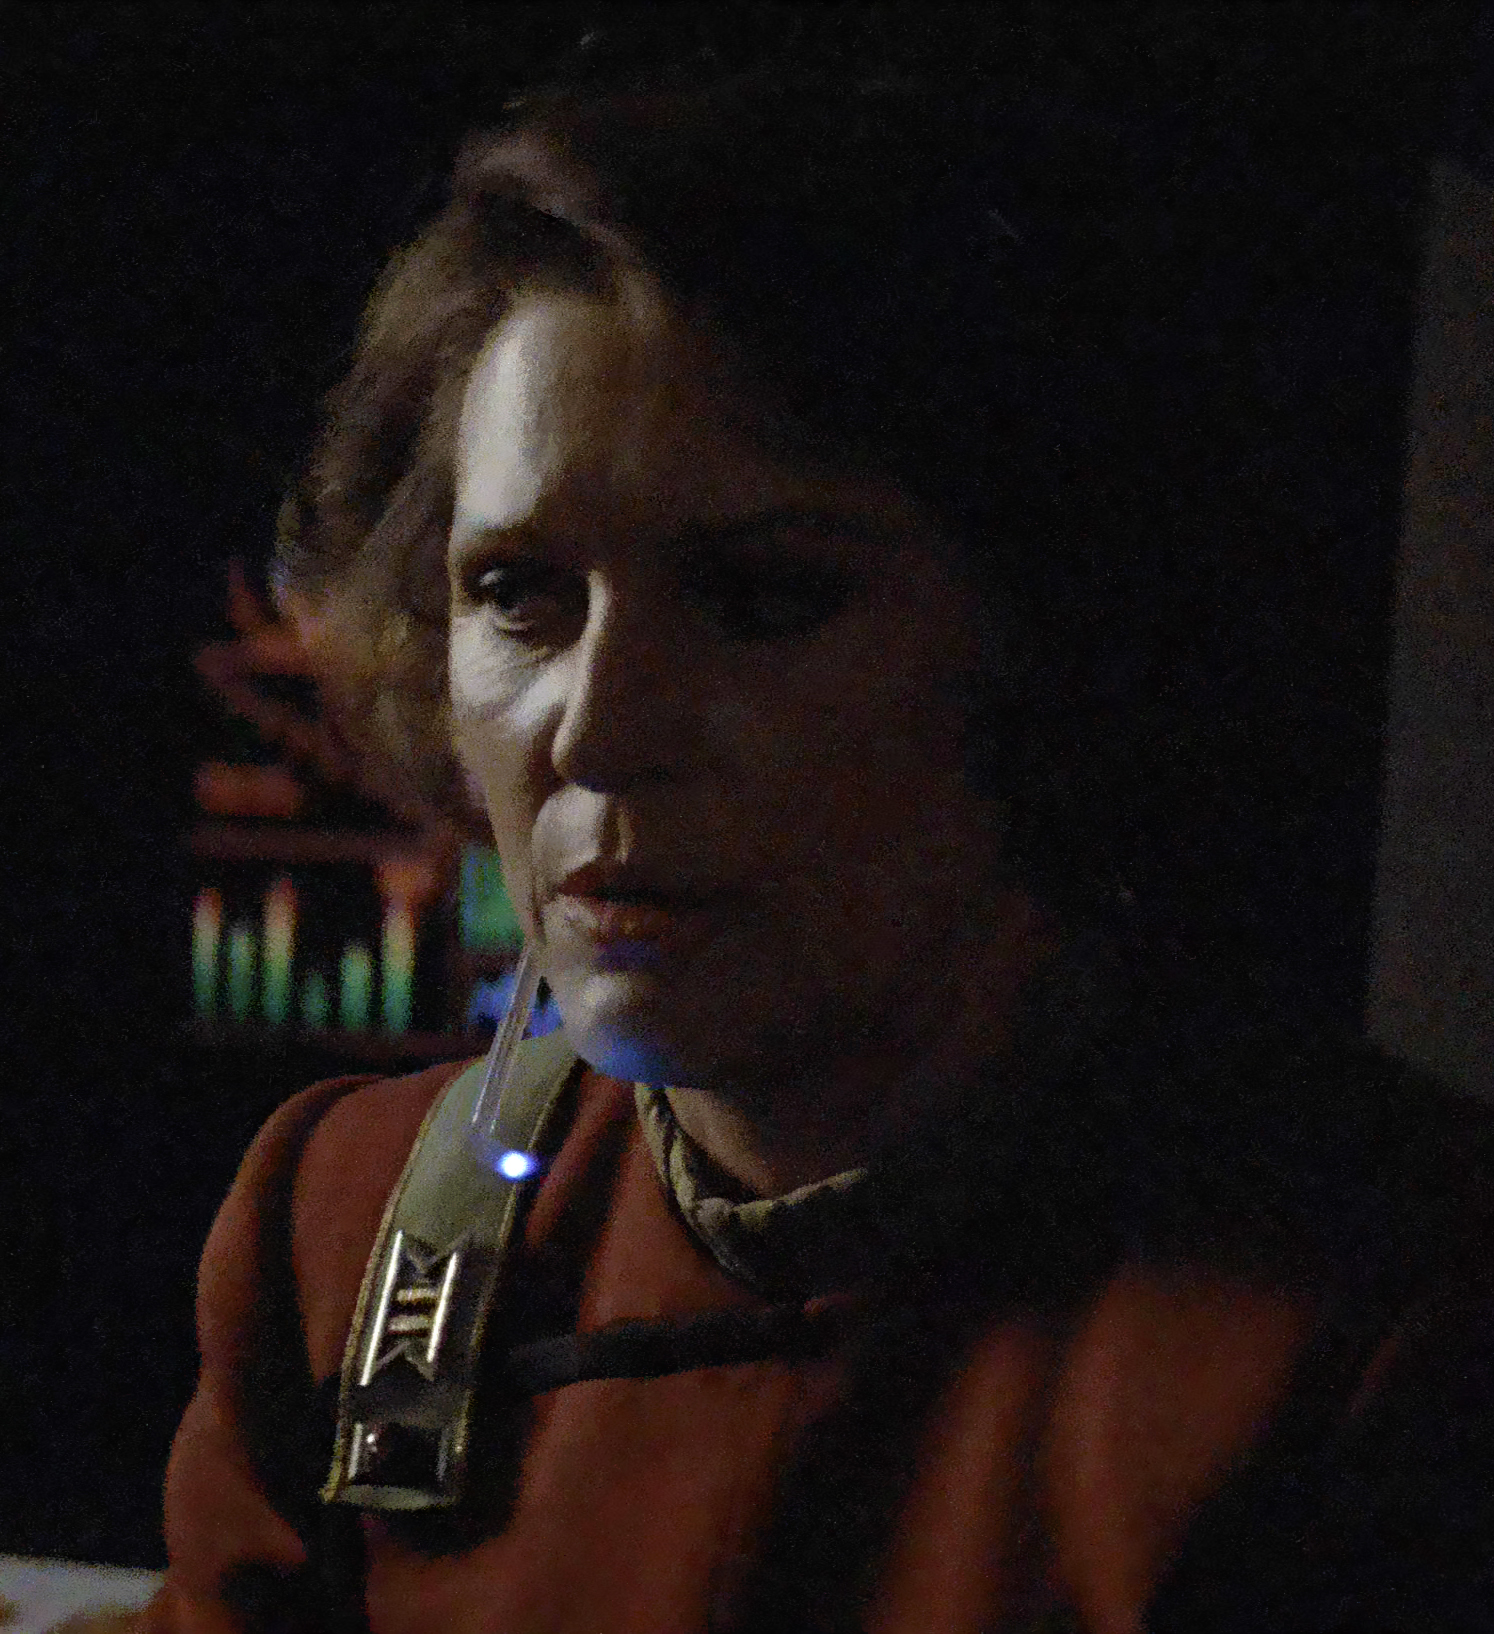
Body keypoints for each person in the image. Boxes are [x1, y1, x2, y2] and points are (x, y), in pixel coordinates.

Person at [128, 60, 1493, 1634]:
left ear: (1037, 635)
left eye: (763, 596)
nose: (597, 727)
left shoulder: (1376, 1327)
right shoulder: (345, 1231)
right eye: (517, 593)